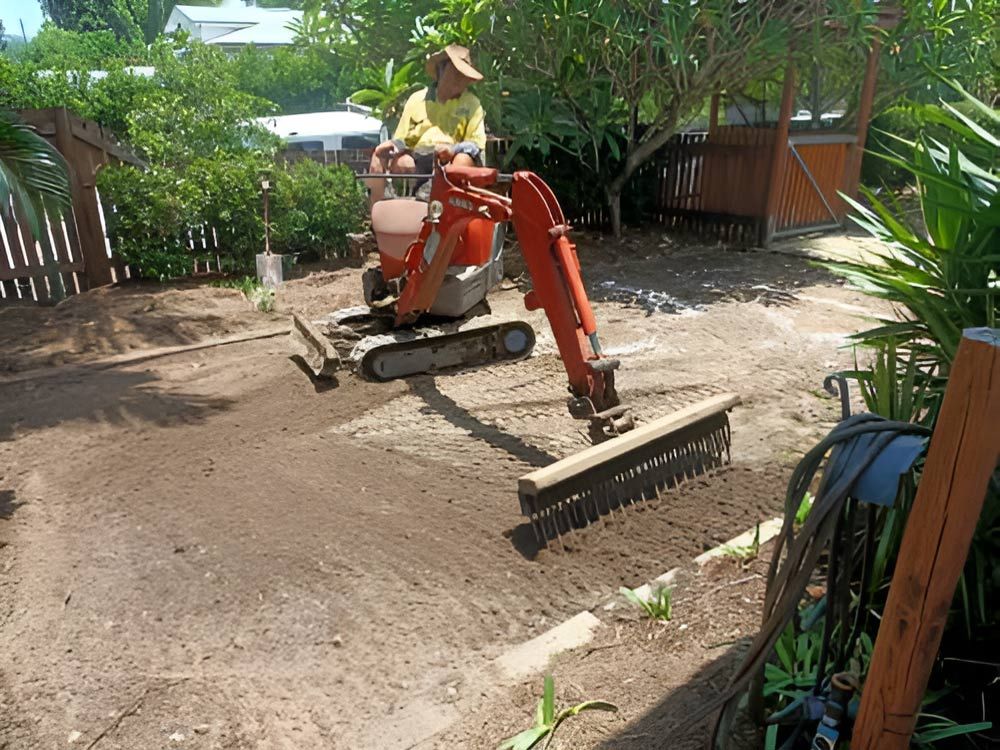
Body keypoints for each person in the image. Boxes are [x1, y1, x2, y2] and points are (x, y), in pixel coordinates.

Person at [365, 44, 487, 205]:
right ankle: (379, 213)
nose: (460, 79)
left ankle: (449, 210)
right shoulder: (416, 99)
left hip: (452, 156)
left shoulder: (472, 103)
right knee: (389, 158)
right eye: (455, 72)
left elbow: (475, 145)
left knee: (462, 161)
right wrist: (392, 146)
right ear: (441, 71)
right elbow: (402, 139)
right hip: (419, 155)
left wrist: (452, 150)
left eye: (463, 75)